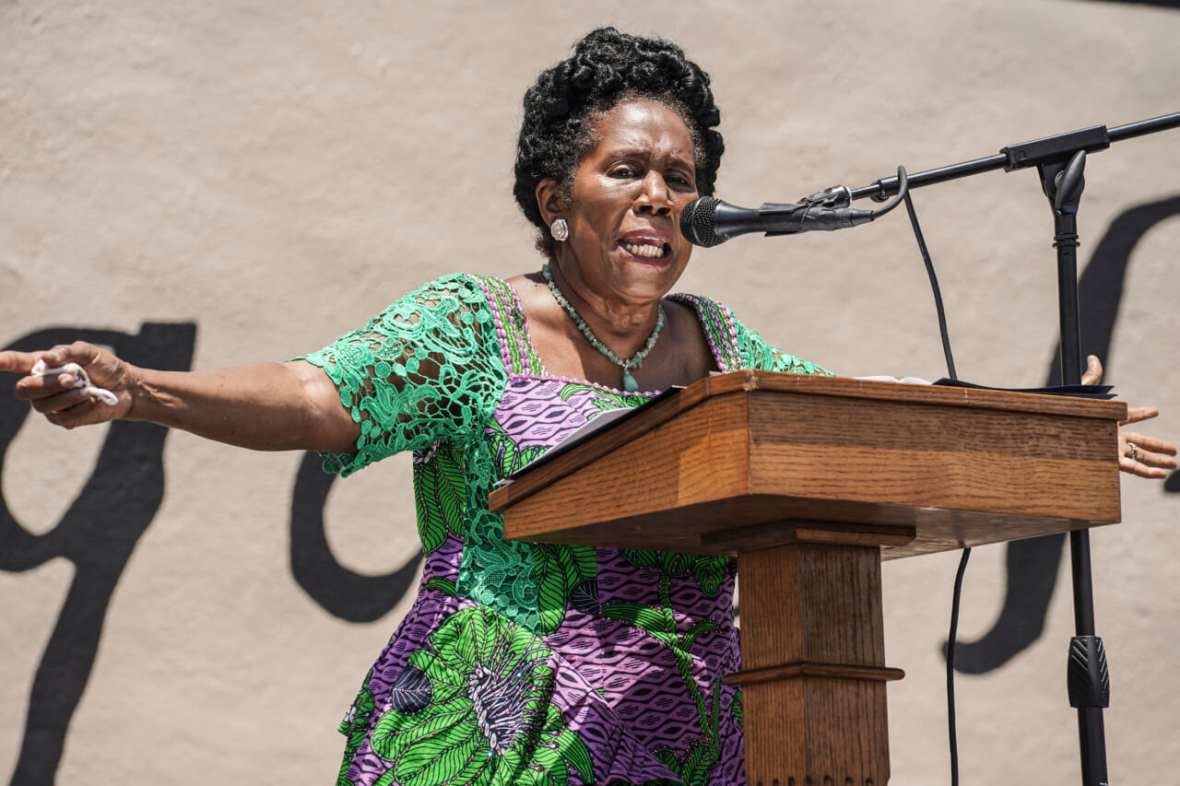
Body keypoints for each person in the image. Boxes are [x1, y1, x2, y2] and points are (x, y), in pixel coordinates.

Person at [2, 27, 1175, 786]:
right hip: (490, 731)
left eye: (680, 179)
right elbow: (316, 393)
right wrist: (147, 389)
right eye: (626, 170)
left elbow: (849, 420)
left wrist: (1039, 427)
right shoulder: (470, 325)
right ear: (551, 195)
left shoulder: (721, 349)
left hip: (697, 732)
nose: (659, 197)